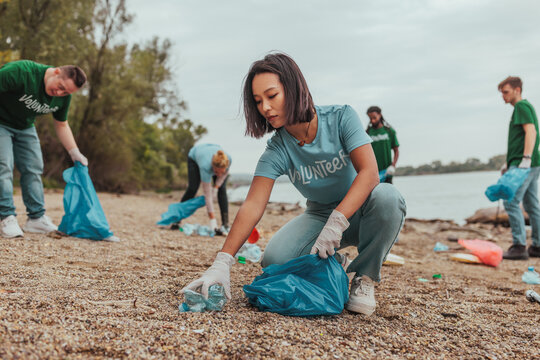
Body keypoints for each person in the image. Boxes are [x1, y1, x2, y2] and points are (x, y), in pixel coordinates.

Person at [183, 53, 406, 316]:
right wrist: (222, 262)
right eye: (258, 102)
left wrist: (337, 222)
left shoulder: (341, 117)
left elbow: (369, 174)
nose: (265, 107)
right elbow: (253, 204)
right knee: (273, 260)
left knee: (389, 197)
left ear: (293, 88)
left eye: (271, 95)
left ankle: (364, 276)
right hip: (319, 215)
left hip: (363, 211)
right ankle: (335, 263)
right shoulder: (277, 149)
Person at [0, 60, 88, 238]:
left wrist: (74, 152)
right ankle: (6, 217)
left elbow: (62, 125)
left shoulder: (63, 97)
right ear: (56, 72)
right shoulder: (20, 72)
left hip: (25, 126)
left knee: (33, 167)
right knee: (3, 166)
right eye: (61, 86)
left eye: (66, 92)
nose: (60, 93)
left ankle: (36, 218)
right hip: (1, 122)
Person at [498, 76, 540, 260]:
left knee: (511, 201)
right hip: (526, 163)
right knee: (532, 205)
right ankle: (537, 246)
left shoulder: (522, 106)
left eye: (506, 92)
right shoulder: (522, 108)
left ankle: (519, 246)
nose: (503, 96)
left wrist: (525, 159)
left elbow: (531, 131)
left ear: (517, 90)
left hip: (526, 164)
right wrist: (508, 162)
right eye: (502, 93)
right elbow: (520, 139)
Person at [174, 144, 231, 234]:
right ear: (212, 167)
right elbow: (207, 196)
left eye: (222, 172)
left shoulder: (229, 160)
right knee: (192, 188)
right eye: (216, 172)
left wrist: (216, 187)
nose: (218, 175)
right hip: (194, 157)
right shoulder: (206, 166)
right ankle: (176, 218)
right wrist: (212, 220)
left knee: (222, 189)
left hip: (211, 150)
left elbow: (222, 177)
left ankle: (225, 224)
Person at [365, 106, 399, 183]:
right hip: (372, 172)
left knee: (387, 193)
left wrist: (393, 165)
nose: (372, 121)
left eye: (374, 118)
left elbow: (396, 151)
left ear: (380, 115)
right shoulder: (367, 133)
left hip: (387, 172)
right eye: (370, 118)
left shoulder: (389, 131)